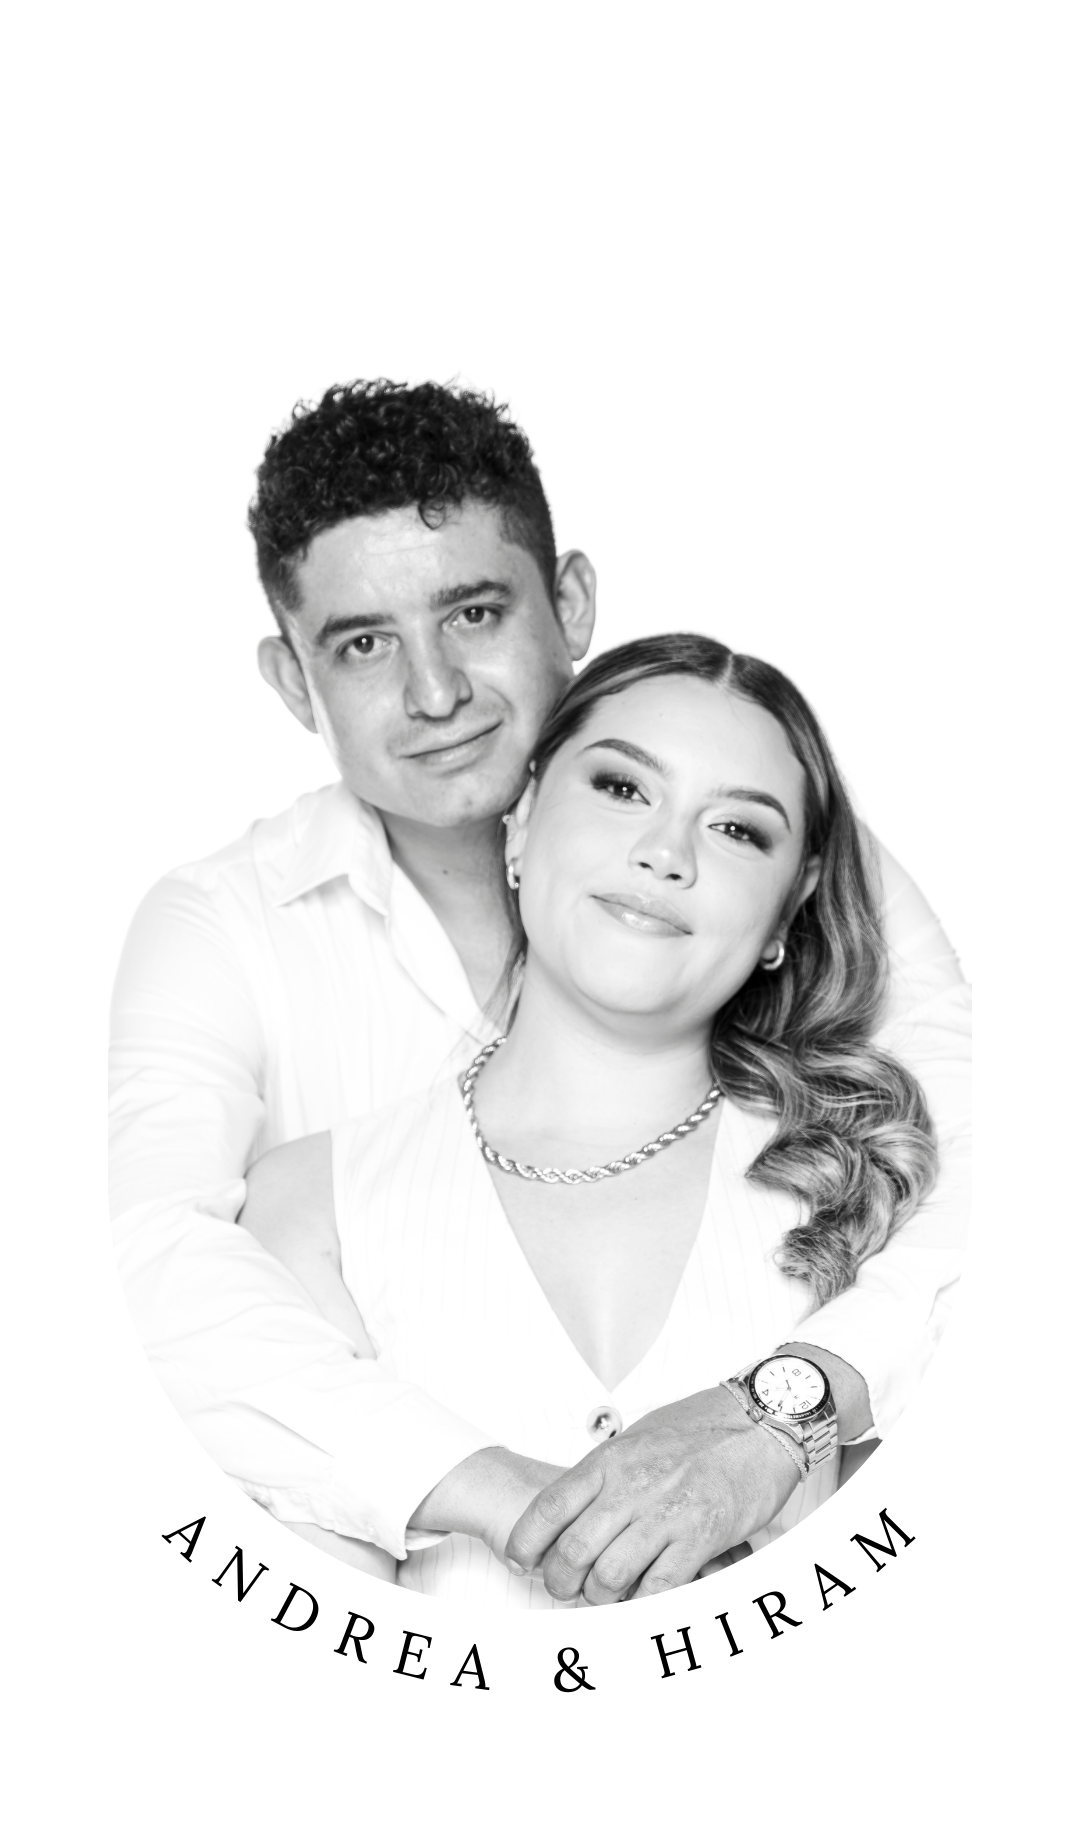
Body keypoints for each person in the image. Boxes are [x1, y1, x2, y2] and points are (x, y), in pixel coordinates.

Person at [109, 378, 970, 1613]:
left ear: (569, 604)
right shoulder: (224, 934)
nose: (436, 693)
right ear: (294, 683)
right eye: (363, 645)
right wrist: (518, 1499)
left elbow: (1011, 1162)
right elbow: (154, 1265)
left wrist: (788, 1406)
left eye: (474, 612)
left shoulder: (773, 842)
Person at [237, 632, 955, 1624]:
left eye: (738, 829)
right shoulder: (307, 1204)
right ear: (521, 820)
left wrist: (786, 1416)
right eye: (622, 788)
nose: (666, 853)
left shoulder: (888, 1185)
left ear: (790, 909)